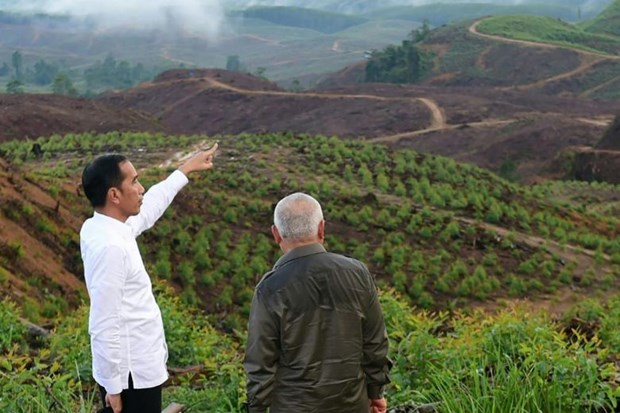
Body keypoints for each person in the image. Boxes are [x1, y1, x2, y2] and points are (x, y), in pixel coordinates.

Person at [80, 144, 217, 413]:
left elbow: (150, 206)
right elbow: (103, 320)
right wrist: (113, 387)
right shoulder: (111, 247)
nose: (141, 188)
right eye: (134, 181)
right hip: (130, 376)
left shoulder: (104, 226)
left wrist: (185, 169)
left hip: (136, 370)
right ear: (114, 195)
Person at [244, 192, 391, 413]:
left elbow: (260, 362)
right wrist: (375, 393)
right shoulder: (357, 273)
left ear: (276, 234)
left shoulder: (270, 288)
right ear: (322, 228)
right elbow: (375, 344)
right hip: (352, 404)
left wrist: (256, 408)